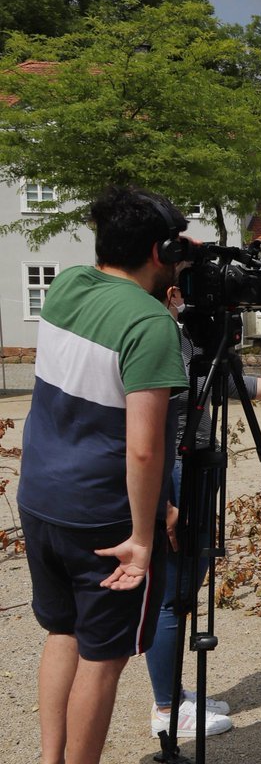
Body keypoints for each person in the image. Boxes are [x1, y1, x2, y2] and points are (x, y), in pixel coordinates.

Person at [17, 186, 189, 764]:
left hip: (41, 496)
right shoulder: (149, 324)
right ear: (161, 249)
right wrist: (142, 540)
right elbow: (143, 452)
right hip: (103, 515)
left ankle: (51, 759)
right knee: (103, 657)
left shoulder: (65, 284)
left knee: (61, 632)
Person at [146, 286, 261, 738]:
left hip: (200, 464)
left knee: (191, 580)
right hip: (176, 469)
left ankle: (174, 692)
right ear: (170, 291)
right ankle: (166, 708)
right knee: (174, 589)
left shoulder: (181, 332)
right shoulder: (153, 335)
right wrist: (160, 501)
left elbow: (224, 383)